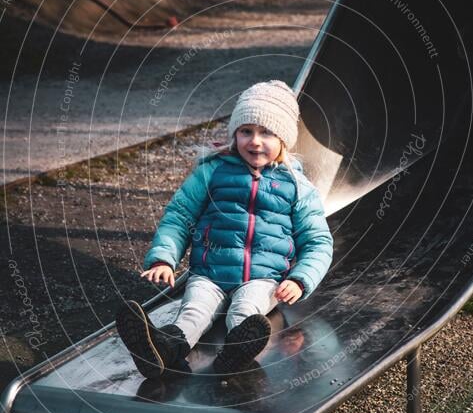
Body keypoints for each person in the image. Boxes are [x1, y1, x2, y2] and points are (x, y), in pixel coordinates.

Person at [116, 79, 333, 377]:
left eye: (266, 132)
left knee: (246, 312)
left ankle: (237, 351)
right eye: (246, 131)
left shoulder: (296, 186)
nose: (255, 141)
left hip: (265, 279)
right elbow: (180, 216)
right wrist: (164, 258)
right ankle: (163, 348)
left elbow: (318, 241)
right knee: (194, 311)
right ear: (234, 134)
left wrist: (300, 279)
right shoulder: (212, 171)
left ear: (283, 140)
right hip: (209, 273)